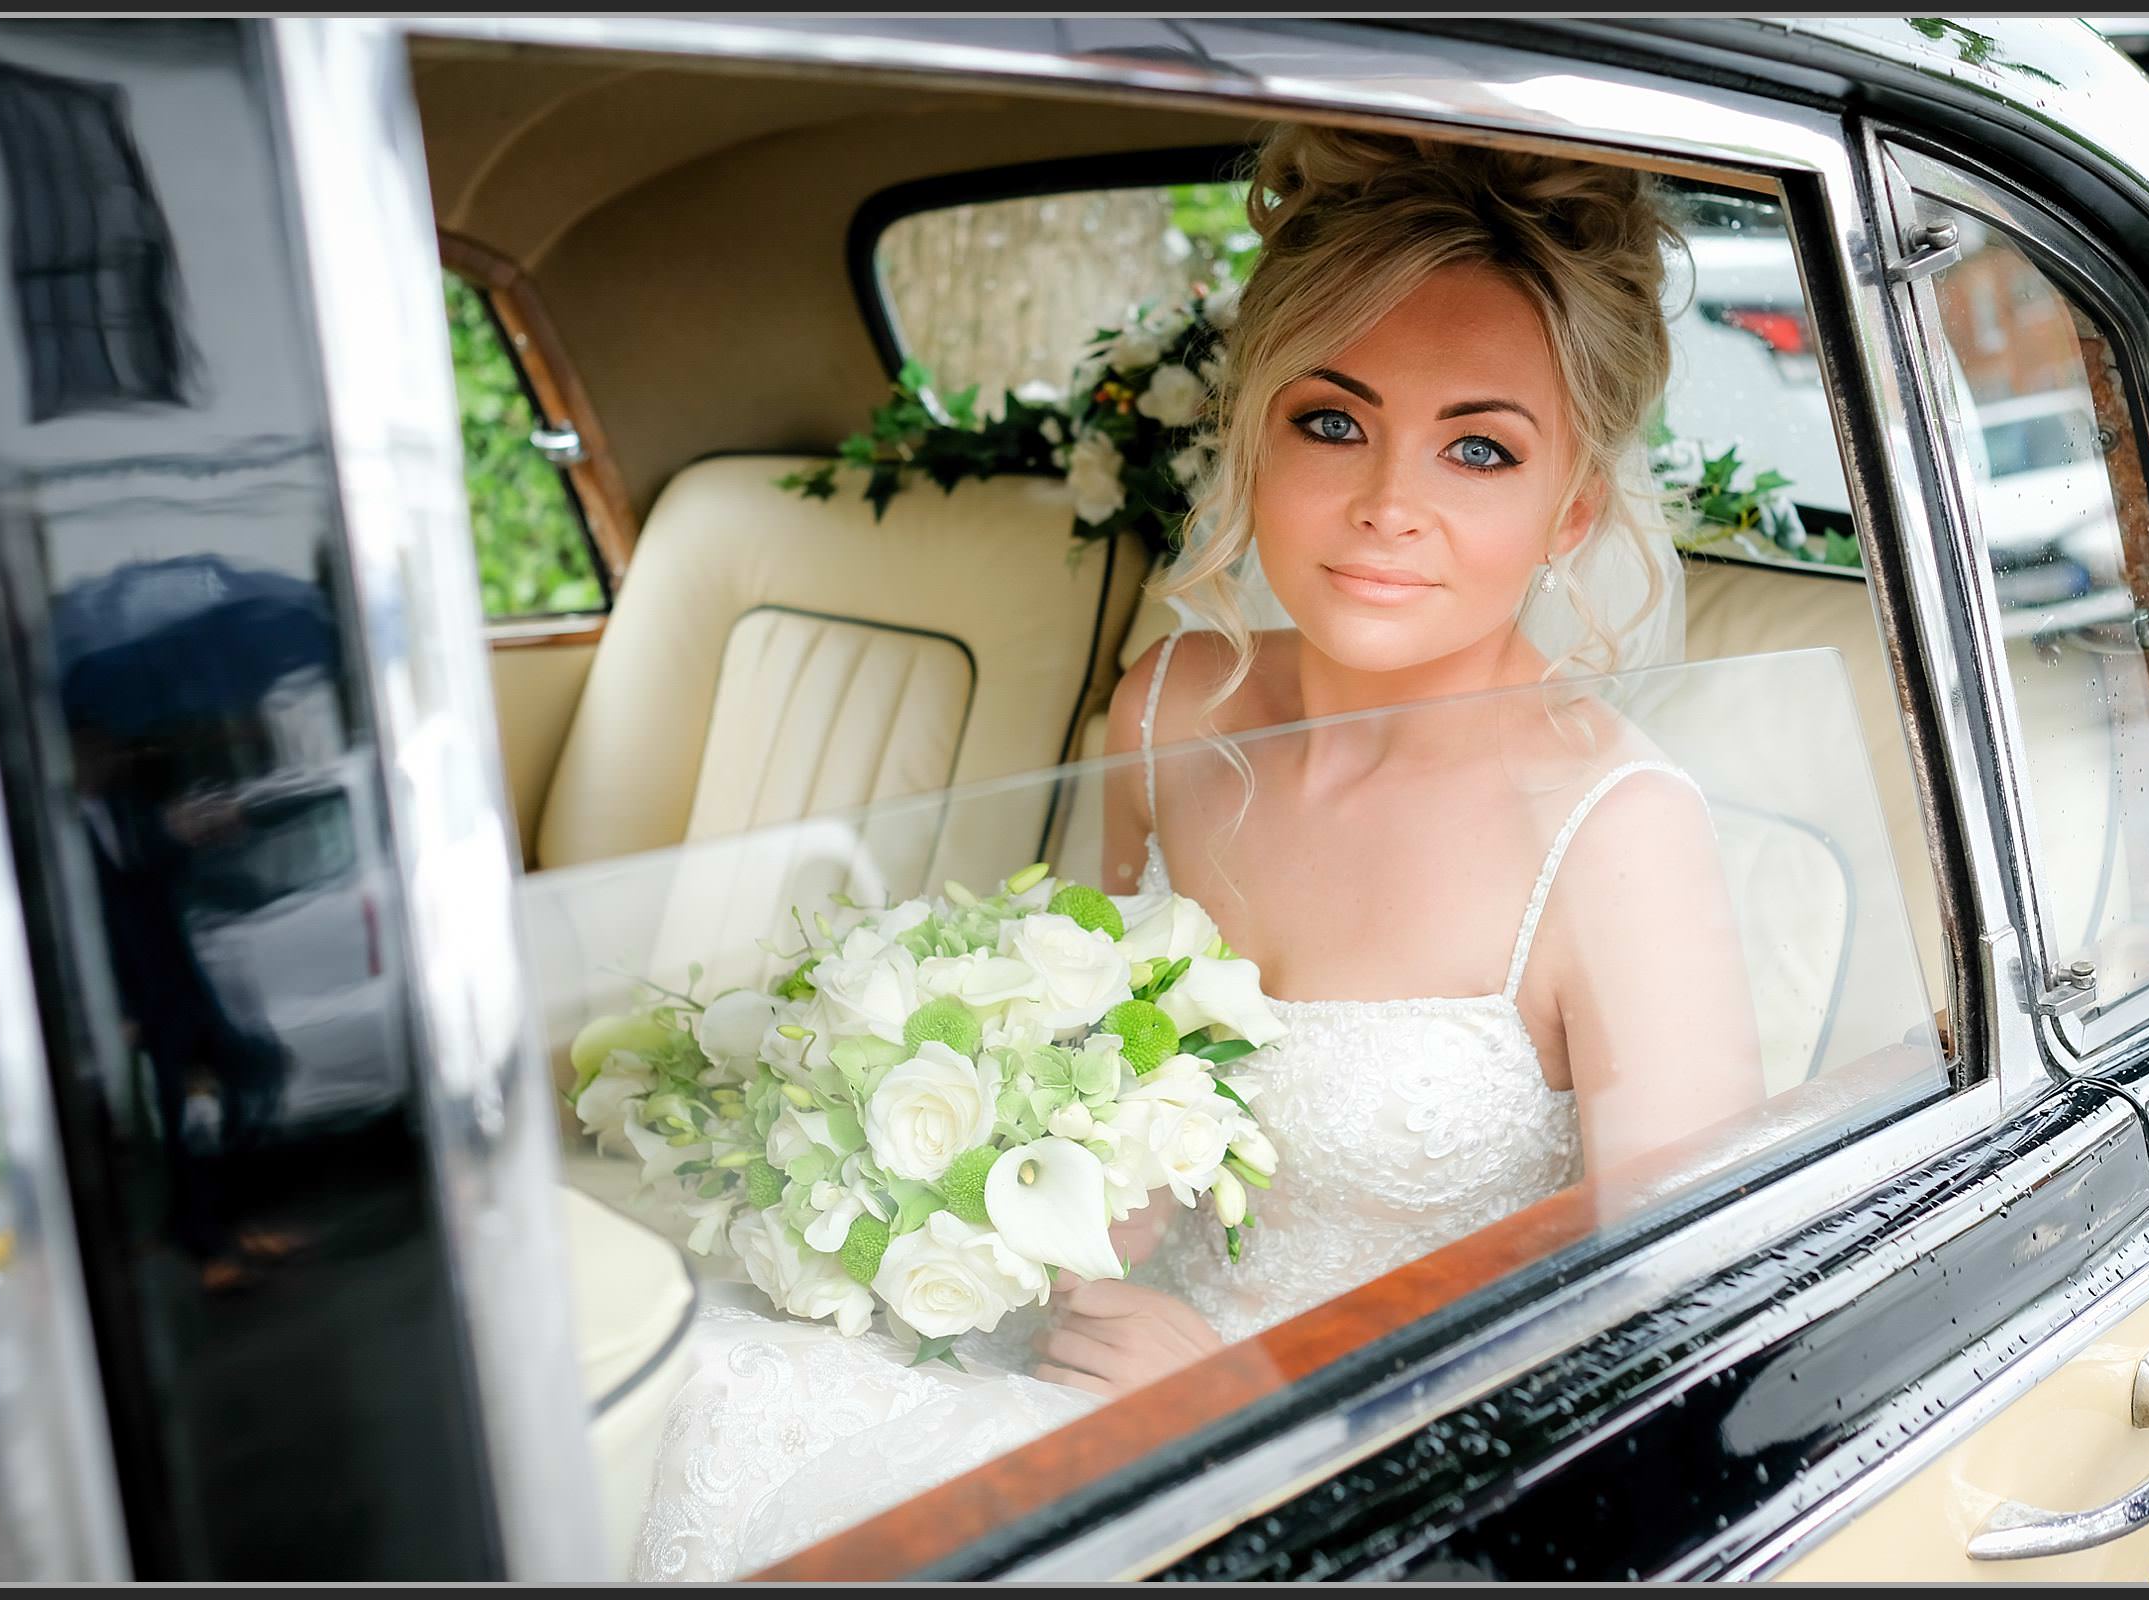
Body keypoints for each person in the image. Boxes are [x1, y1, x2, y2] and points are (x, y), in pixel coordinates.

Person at [629, 123, 1762, 1579]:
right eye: (1332, 422)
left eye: (1479, 448)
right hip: (1071, 1359)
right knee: (685, 1383)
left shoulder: (1618, 841)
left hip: (1365, 1481)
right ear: (1254, 434)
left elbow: (1685, 1338)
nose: (1386, 506)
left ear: (1574, 509)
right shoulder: (1174, 706)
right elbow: (1086, 1084)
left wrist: (1259, 1406)